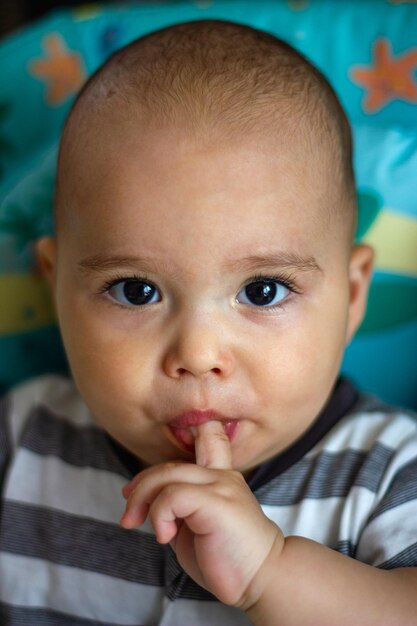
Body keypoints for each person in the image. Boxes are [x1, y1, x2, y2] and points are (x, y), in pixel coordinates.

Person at [1, 19, 416, 626]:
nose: (197, 353)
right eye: (136, 291)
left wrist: (269, 574)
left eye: (262, 289)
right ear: (55, 285)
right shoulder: (23, 438)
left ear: (353, 298)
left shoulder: (389, 472)